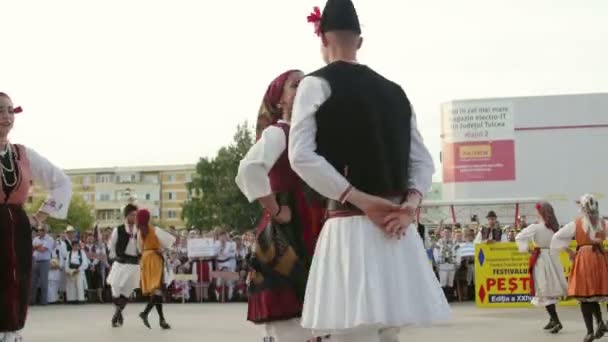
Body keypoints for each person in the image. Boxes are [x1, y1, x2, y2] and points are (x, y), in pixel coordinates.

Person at [289, 2, 450, 340]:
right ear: (359, 42)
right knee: (388, 332)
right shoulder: (396, 92)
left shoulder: (315, 84)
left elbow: (300, 155)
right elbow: (422, 162)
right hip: (396, 229)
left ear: (322, 41)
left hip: (350, 225)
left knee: (353, 330)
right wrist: (408, 206)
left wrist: (358, 198)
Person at [236, 70, 317, 341]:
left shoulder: (311, 136)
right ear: (279, 100)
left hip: (314, 229)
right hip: (289, 232)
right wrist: (276, 210)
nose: (303, 89)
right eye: (296, 86)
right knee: (291, 324)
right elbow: (249, 169)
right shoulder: (279, 133)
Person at [0, 92, 72, 342]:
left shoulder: (23, 154)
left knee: (15, 282)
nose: (6, 116)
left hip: (17, 227)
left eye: (10, 110)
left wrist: (39, 216)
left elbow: (61, 182)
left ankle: (12, 335)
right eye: (0, 110)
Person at [551, 194, 608, 341]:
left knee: (586, 297)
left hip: (584, 259)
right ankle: (600, 323)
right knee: (593, 295)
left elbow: (556, 238)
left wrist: (569, 251)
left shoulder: (576, 224)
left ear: (582, 208)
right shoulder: (604, 223)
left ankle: (591, 330)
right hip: (599, 259)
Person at [515, 202, 567, 334]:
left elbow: (519, 236)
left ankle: (557, 321)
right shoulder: (554, 227)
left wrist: (527, 248)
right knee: (548, 288)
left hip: (541, 259)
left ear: (541, 213)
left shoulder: (536, 227)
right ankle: (552, 319)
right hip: (552, 257)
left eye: (537, 211)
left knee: (544, 289)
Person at [137, 209, 176, 330]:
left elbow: (139, 249)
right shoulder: (155, 230)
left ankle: (161, 320)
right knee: (157, 290)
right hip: (155, 259)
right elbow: (168, 243)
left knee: (156, 292)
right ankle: (147, 313)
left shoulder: (139, 232)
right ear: (148, 218)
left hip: (145, 259)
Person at [106, 204, 141, 328]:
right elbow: (112, 245)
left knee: (126, 292)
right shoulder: (119, 229)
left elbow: (142, 247)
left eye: (136, 215)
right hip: (120, 263)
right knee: (115, 289)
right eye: (132, 215)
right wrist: (114, 257)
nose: (134, 217)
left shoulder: (140, 230)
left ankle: (117, 313)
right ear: (126, 215)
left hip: (134, 265)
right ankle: (118, 313)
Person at [30, 225, 55, 305]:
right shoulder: (36, 239)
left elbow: (43, 250)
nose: (40, 231)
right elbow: (32, 248)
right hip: (35, 261)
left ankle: (43, 301)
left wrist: (35, 247)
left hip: (44, 262)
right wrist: (38, 247)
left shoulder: (49, 239)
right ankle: (32, 301)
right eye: (39, 230)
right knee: (33, 282)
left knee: (44, 282)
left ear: (45, 231)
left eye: (42, 230)